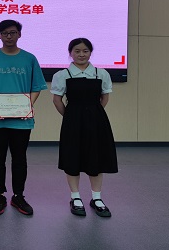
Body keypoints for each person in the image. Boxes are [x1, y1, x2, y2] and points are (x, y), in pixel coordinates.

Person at [0, 19, 47, 215]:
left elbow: (37, 87)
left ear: (19, 34)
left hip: (22, 120)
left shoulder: (29, 59)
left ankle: (18, 196)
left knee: (19, 158)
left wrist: (28, 106)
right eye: (5, 33)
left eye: (13, 32)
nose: (9, 36)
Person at [51, 38, 118, 218]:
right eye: (77, 51)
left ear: (90, 52)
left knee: (96, 158)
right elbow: (57, 100)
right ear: (70, 53)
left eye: (85, 51)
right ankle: (75, 197)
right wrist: (71, 117)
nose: (81, 54)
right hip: (72, 121)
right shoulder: (62, 75)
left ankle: (97, 198)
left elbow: (104, 97)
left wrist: (92, 114)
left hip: (97, 121)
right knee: (72, 157)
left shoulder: (101, 73)